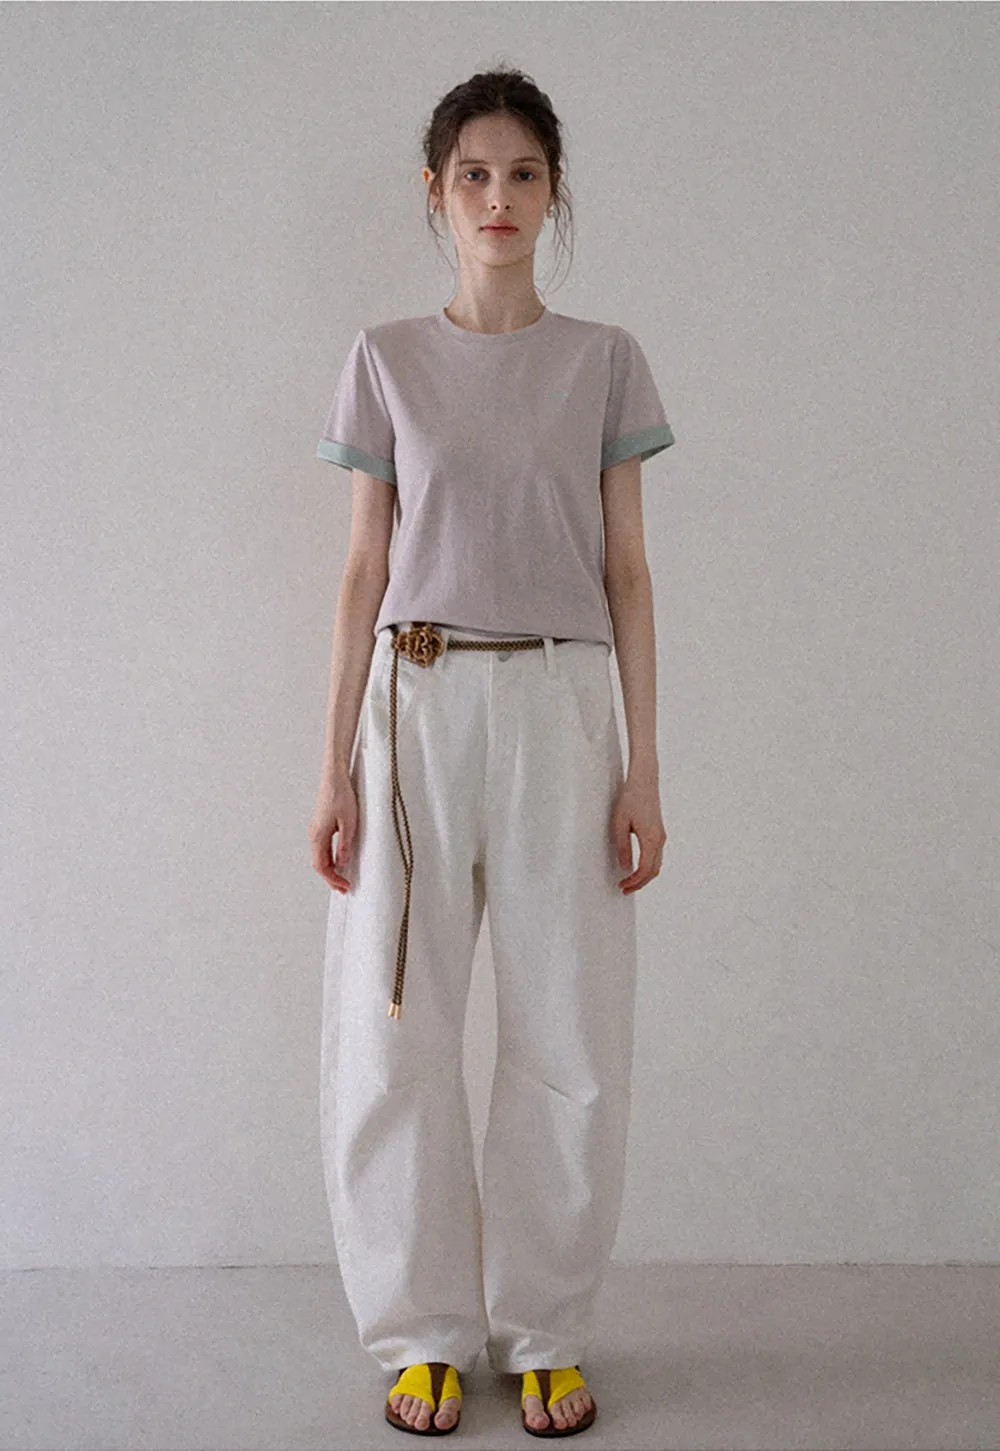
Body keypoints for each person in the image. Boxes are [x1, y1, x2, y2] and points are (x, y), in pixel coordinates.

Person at [308, 65, 673, 1439]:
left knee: (567, 1026)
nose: (500, 197)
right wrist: (332, 766)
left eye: (524, 174)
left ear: (553, 191)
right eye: (475, 174)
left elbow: (629, 571)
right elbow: (362, 571)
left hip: (562, 707)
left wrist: (644, 765)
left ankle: (546, 1331)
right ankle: (419, 1334)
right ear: (436, 192)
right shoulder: (385, 358)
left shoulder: (604, 360)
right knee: (395, 1030)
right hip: (412, 703)